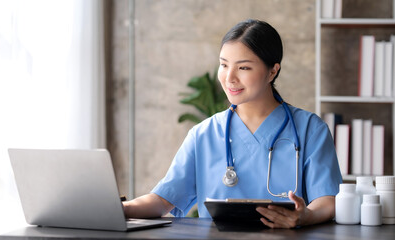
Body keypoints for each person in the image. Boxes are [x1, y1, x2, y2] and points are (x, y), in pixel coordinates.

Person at [123, 19, 342, 229]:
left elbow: (327, 202)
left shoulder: (310, 129)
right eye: (223, 65)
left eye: (243, 68)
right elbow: (162, 200)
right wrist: (119, 208)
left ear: (272, 71)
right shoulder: (203, 135)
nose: (229, 78)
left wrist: (305, 216)